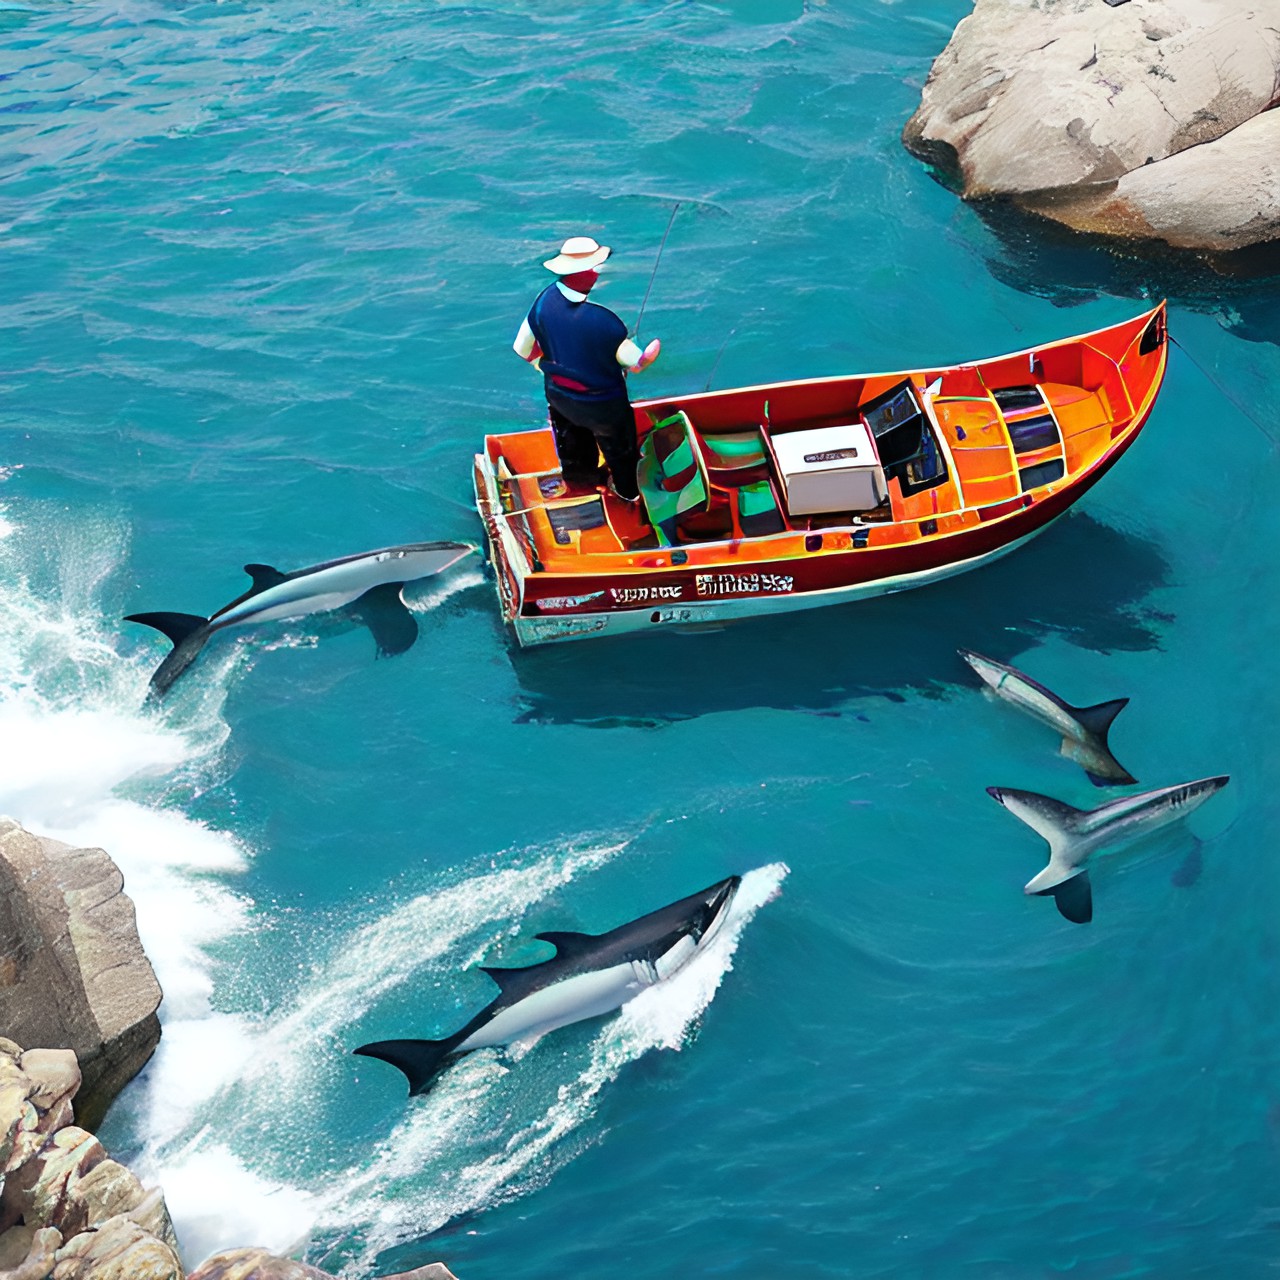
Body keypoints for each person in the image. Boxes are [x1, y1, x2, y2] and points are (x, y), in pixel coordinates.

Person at [513, 235, 661, 502]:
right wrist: (647, 357)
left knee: (573, 447)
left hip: (559, 396)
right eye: (595, 267)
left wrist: (546, 368)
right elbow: (636, 363)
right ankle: (627, 494)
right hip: (603, 405)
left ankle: (581, 488)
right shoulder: (604, 321)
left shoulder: (543, 301)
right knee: (620, 450)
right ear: (587, 273)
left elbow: (522, 349)